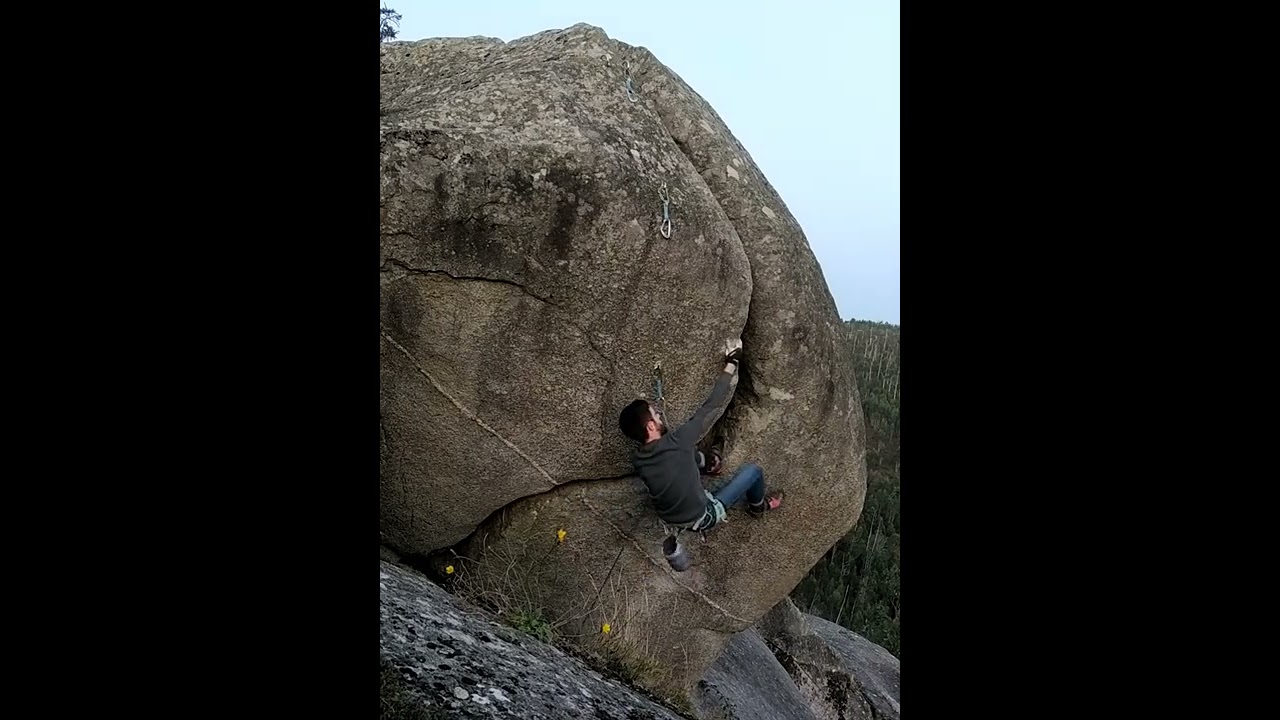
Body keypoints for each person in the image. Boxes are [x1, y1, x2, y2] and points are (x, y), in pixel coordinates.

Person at [617, 341, 782, 535]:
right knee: (754, 472)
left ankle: (709, 463)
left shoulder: (639, 461)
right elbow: (710, 405)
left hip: (671, 518)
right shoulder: (679, 441)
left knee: (694, 459)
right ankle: (757, 507)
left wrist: (703, 462)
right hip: (703, 516)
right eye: (655, 414)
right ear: (651, 426)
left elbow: (677, 461)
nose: (659, 415)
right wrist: (731, 364)